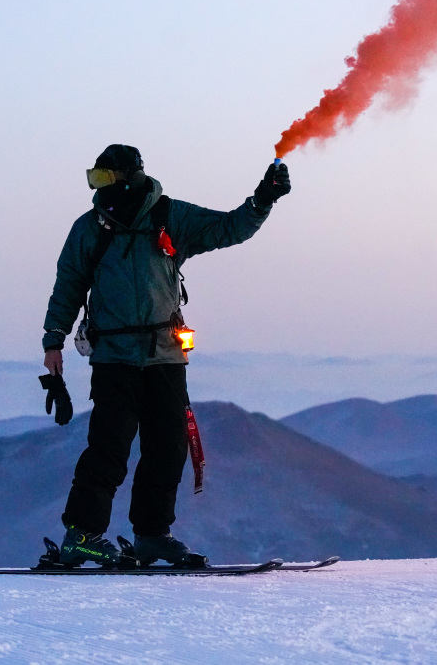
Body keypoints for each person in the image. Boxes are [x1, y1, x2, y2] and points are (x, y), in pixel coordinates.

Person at [39, 144, 291, 567]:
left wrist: (262, 200)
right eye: (94, 179)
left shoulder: (171, 217)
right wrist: (53, 341)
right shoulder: (90, 227)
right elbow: (68, 284)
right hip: (114, 356)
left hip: (165, 356)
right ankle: (81, 536)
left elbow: (230, 228)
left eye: (106, 178)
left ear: (131, 176)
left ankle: (152, 535)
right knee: (109, 447)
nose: (99, 188)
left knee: (168, 447)